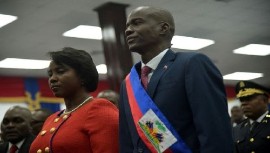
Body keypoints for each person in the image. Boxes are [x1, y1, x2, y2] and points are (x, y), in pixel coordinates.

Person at [119, 6, 233, 153]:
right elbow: (127, 139)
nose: (128, 30)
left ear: (163, 28)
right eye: (127, 25)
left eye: (137, 23)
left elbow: (214, 130)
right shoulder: (128, 82)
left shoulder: (191, 64)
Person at [29, 47, 119, 153]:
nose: (52, 79)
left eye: (60, 71)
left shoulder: (100, 110)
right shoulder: (51, 119)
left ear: (83, 76)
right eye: (50, 74)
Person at [233, 81, 270, 153]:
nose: (244, 103)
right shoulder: (237, 129)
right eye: (241, 100)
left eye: (249, 98)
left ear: (265, 100)